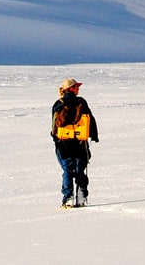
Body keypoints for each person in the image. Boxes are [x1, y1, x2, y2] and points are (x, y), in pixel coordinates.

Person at [51, 78, 99, 207]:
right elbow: (90, 120)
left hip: (63, 144)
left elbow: (54, 126)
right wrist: (94, 136)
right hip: (80, 143)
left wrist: (56, 140)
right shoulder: (81, 102)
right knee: (79, 170)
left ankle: (68, 198)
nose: (78, 89)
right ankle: (81, 196)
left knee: (67, 170)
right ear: (71, 88)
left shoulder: (58, 103)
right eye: (76, 87)